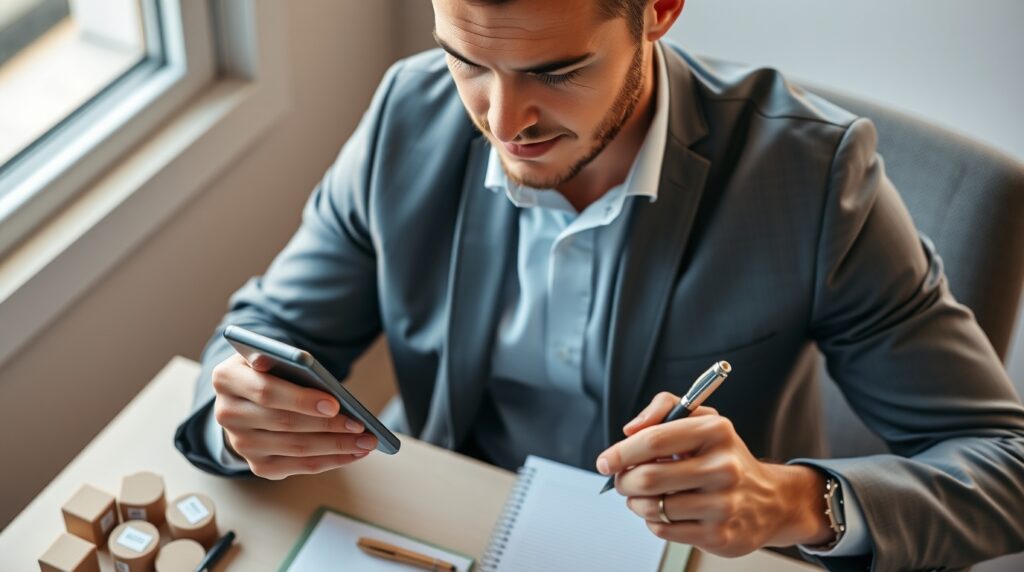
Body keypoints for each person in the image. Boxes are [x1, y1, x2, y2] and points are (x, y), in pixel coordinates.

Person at [174, 0, 1024, 569]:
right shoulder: (410, 110)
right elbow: (264, 335)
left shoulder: (811, 177)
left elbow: (1005, 465)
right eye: (466, 61)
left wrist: (789, 499)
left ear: (658, 11)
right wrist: (236, 417)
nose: (502, 125)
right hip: (451, 526)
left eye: (555, 71)